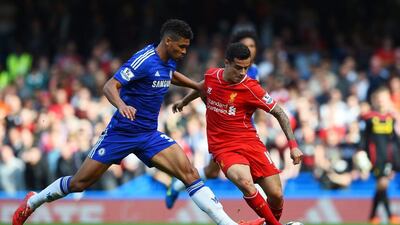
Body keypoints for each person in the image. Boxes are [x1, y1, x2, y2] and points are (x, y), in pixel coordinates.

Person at [12, 19, 264, 225]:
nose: (185, 51)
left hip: (148, 134)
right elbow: (110, 85)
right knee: (79, 183)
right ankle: (33, 201)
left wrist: (194, 85)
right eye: (182, 47)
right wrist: (122, 105)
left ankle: (228, 224)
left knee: (190, 173)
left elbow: (168, 73)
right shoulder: (143, 59)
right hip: (121, 132)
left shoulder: (168, 60)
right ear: (168, 41)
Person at [171, 43, 303, 225]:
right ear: (226, 62)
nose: (242, 73)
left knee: (277, 195)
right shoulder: (212, 75)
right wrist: (184, 101)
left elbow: (279, 112)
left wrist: (293, 146)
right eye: (238, 67)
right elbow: (203, 87)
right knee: (246, 183)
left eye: (246, 68)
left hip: (250, 142)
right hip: (223, 146)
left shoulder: (251, 88)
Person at [166, 28, 261, 209]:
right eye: (245, 45)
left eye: (252, 45)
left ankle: (177, 185)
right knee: (213, 170)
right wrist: (185, 101)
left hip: (245, 127)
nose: (250, 49)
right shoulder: (227, 72)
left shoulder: (254, 71)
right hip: (225, 130)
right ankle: (177, 184)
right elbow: (205, 86)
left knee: (240, 171)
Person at [358, 87, 400, 224]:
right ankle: (390, 215)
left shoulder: (391, 118)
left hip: (388, 158)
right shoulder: (370, 118)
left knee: (382, 186)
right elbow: (364, 137)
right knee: (382, 184)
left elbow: (394, 139)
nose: (382, 102)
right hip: (375, 158)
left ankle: (373, 216)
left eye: (384, 99)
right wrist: (361, 152)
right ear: (375, 101)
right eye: (379, 99)